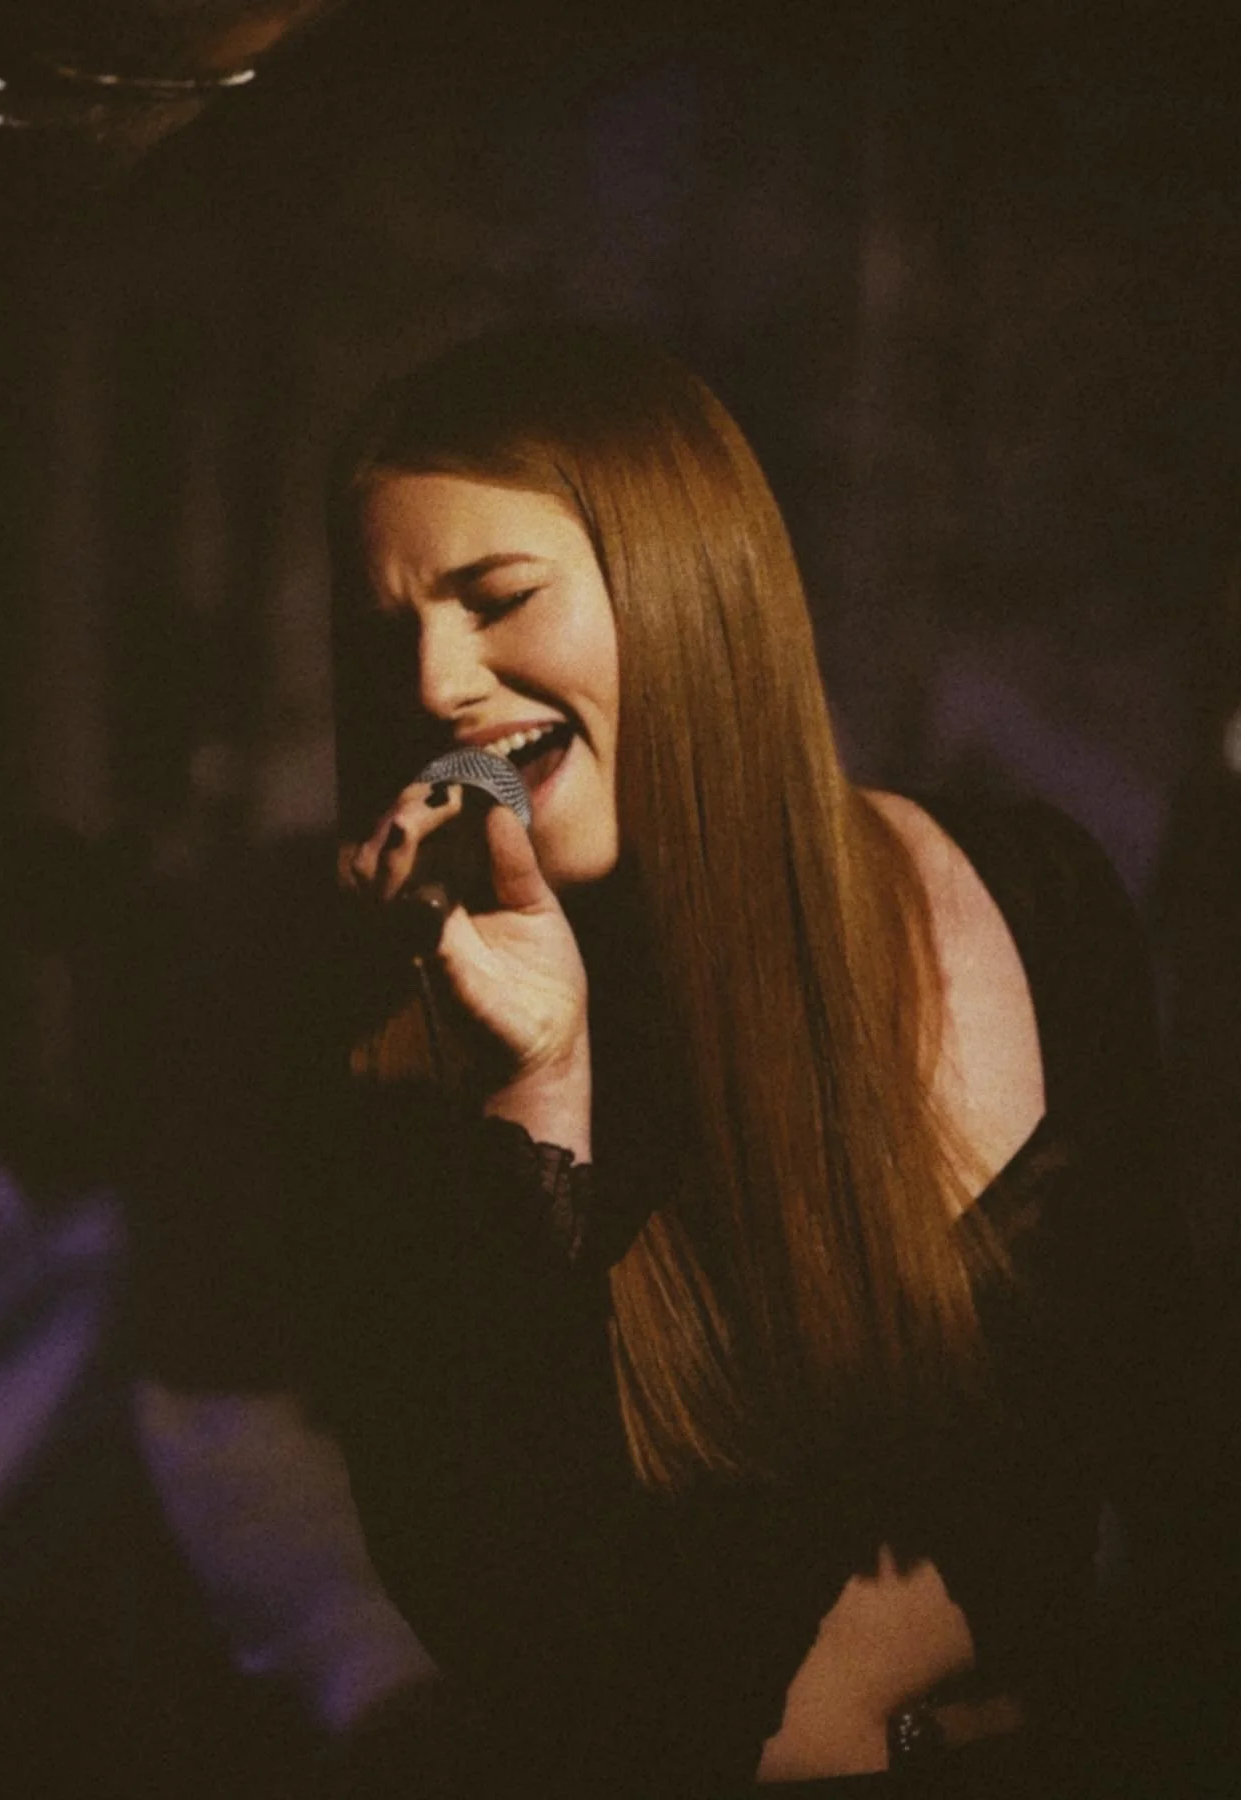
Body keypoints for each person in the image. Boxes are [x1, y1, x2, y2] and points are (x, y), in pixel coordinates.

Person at [259, 322, 1206, 1797]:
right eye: (392, 635)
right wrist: (539, 1092)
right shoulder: (396, 1044)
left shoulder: (1038, 889)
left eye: (497, 597)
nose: (438, 681)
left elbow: (1170, 1454)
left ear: (689, 583)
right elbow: (548, 1642)